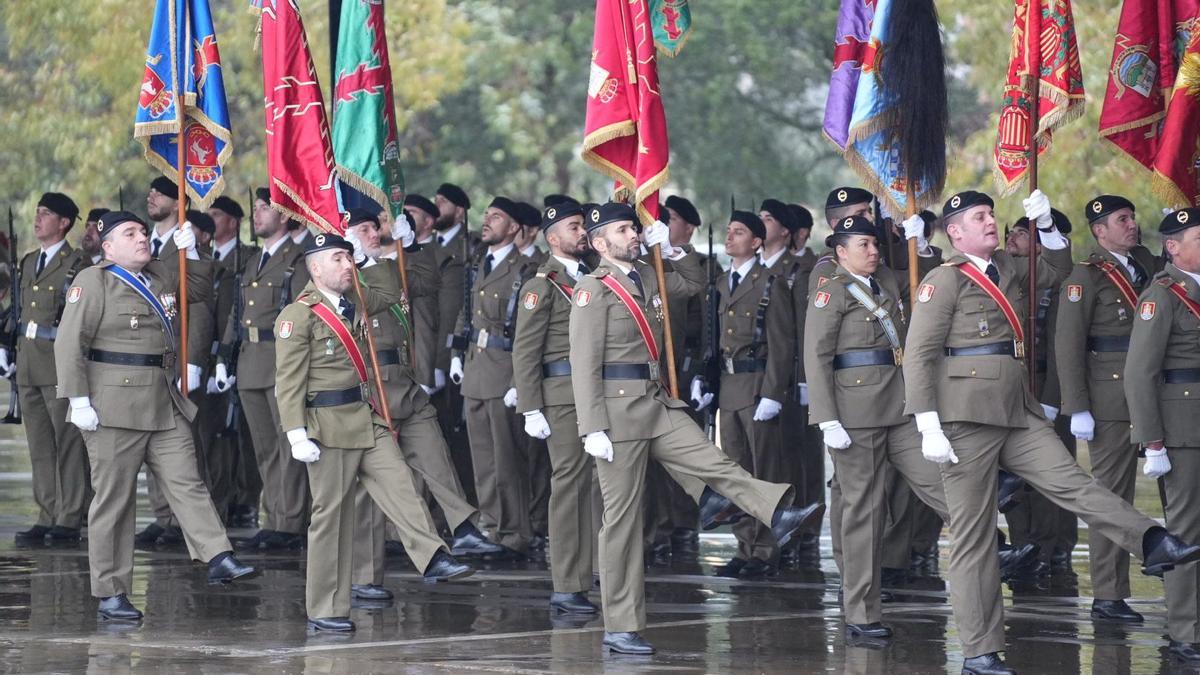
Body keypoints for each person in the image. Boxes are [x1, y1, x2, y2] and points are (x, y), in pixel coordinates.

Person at [902, 189, 1200, 675]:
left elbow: (1060, 269)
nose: (991, 222)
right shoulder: (944, 280)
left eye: (991, 214)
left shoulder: (1007, 266)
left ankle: (1149, 541)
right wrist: (927, 423)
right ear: (954, 232)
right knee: (974, 535)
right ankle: (980, 651)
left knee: (1073, 482)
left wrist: (1045, 227)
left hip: (1017, 409)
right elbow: (919, 354)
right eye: (979, 217)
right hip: (965, 416)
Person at [569, 202, 824, 655]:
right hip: (616, 414)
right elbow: (583, 362)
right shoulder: (593, 289)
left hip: (655, 402)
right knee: (622, 523)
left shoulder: (648, 274)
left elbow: (695, 284)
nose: (634, 234)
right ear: (599, 243)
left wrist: (671, 249)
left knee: (716, 461)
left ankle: (774, 513)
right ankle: (621, 626)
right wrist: (592, 427)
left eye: (633, 227)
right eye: (623, 230)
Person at [55, 210, 256, 622]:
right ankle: (111, 592)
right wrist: (78, 400)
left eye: (143, 232)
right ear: (108, 246)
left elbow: (198, 292)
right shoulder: (94, 281)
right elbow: (69, 342)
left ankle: (218, 556)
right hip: (113, 407)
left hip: (163, 400)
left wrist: (192, 253)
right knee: (114, 501)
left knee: (187, 481)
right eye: (130, 233)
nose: (142, 238)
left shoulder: (160, 274)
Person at [274, 231, 474, 632]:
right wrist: (296, 433)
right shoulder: (299, 316)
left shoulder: (356, 302)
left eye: (348, 258)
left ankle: (433, 556)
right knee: (331, 517)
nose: (346, 264)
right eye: (338, 258)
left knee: (401, 485)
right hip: (328, 426)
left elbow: (388, 292)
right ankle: (326, 608)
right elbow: (289, 381)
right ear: (315, 268)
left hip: (366, 416)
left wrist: (369, 256)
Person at [804, 213, 955, 640]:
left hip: (901, 407)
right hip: (856, 415)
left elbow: (927, 288)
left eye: (875, 243)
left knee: (945, 482)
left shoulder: (885, 279)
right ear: (841, 251)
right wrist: (826, 418)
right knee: (864, 514)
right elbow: (816, 355)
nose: (874, 251)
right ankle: (862, 612)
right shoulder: (830, 290)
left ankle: (992, 548)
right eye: (864, 245)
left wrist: (921, 246)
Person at [342, 209, 502, 601]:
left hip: (403, 381)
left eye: (375, 226)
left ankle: (463, 527)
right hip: (370, 386)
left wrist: (411, 248)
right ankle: (365, 576)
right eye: (364, 229)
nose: (375, 233)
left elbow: (427, 284)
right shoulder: (340, 277)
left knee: (434, 454)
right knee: (372, 488)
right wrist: (354, 264)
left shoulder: (389, 266)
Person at [1056, 195, 1162, 619]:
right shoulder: (1085, 275)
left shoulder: (1147, 263)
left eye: (1133, 217)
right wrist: (1077, 405)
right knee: (1112, 496)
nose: (1132, 224)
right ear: (1099, 230)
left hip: (1157, 391)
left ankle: (1178, 577)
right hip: (1110, 397)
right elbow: (1068, 343)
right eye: (1122, 219)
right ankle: (1109, 594)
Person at [512, 201, 601, 614]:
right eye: (574, 226)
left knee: (596, 486)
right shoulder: (542, 286)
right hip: (563, 396)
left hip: (596, 392)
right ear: (553, 238)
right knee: (569, 486)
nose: (583, 233)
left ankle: (591, 570)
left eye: (583, 226)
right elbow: (525, 350)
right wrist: (531, 406)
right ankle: (567, 583)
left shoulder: (594, 275)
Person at [694, 210, 792, 578]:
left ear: (756, 242)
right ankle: (745, 546)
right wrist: (704, 379)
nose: (730, 237)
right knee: (736, 472)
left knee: (763, 470)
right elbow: (712, 340)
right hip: (729, 386)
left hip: (756, 385)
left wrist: (774, 393)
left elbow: (782, 344)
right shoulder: (720, 283)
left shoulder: (770, 283)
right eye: (729, 231)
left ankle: (765, 551)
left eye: (739, 232)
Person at [215, 188, 310, 550]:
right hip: (250, 362)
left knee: (289, 446)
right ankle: (275, 518)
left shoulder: (297, 260)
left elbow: (302, 318)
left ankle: (291, 522)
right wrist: (225, 358)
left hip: (280, 363)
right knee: (265, 449)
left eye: (264, 208)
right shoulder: (253, 261)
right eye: (254, 208)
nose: (256, 214)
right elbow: (237, 314)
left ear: (284, 215)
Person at [1125, 207, 1200, 663]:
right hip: (1184, 429)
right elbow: (1140, 373)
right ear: (1172, 247)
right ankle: (1185, 631)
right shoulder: (1162, 295)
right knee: (1187, 530)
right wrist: (1152, 441)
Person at [449, 197, 537, 557]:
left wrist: (520, 381)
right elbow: (466, 313)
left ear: (514, 228)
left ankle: (514, 533)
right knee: (483, 461)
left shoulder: (527, 269)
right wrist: (456, 355)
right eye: (486, 215)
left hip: (504, 372)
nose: (487, 221)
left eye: (496, 217)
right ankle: (490, 526)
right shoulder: (478, 263)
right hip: (475, 371)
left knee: (507, 461)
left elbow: (529, 333)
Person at [136, 177, 215, 546]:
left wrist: (194, 360)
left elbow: (199, 306)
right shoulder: (140, 245)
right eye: (151, 191)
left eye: (161, 193)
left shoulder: (185, 245)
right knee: (152, 439)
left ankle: (191, 521)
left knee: (185, 445)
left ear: (179, 202)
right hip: (147, 360)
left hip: (178, 357)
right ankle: (164, 515)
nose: (152, 196)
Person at [8, 192, 90, 544]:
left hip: (59, 367)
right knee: (40, 446)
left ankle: (69, 517)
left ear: (64, 222)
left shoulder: (78, 264)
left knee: (67, 444)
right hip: (28, 365)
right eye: (37, 212)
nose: (37, 218)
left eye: (46, 213)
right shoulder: (29, 262)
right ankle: (47, 513)